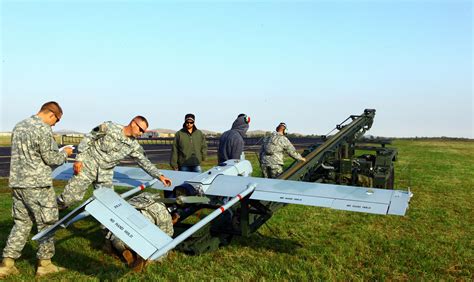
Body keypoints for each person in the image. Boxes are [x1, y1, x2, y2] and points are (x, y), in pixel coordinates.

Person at [0, 102, 74, 278]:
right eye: (56, 120)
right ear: (51, 114)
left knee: (22, 223)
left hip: (18, 183)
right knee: (48, 222)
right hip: (38, 185)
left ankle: (6, 263)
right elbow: (51, 158)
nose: (55, 124)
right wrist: (65, 153)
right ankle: (45, 264)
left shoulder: (19, 126)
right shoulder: (43, 129)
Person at [56, 116, 172, 209]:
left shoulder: (133, 145)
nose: (141, 133)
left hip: (105, 175)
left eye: (144, 131)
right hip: (87, 167)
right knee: (69, 198)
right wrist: (79, 159)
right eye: (141, 130)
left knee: (108, 206)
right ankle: (49, 210)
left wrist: (159, 175)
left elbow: (143, 161)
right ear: (133, 123)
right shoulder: (109, 127)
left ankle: (109, 235)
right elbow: (89, 138)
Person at [104, 192, 173, 272]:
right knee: (162, 243)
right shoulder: (164, 212)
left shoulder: (140, 197)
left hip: (122, 230)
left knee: (118, 234)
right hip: (143, 231)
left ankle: (121, 248)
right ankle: (146, 258)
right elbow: (167, 236)